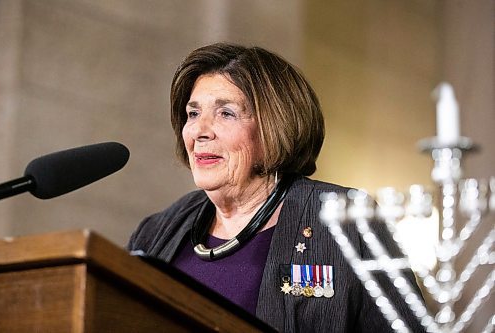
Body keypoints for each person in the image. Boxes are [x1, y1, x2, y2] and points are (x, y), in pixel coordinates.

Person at [128, 43, 425, 332]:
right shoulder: (156, 231)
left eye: (226, 113)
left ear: (275, 126)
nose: (200, 131)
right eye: (193, 114)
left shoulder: (347, 219)